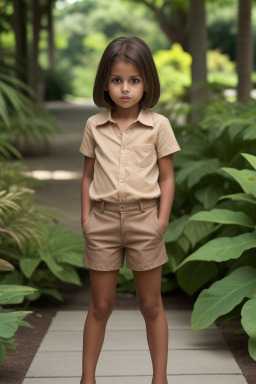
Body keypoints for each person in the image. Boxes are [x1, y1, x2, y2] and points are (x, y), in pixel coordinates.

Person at [79, 36, 181, 384]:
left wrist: (160, 221)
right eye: (117, 80)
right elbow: (88, 175)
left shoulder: (159, 126)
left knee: (151, 306)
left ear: (147, 82)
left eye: (134, 80)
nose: (125, 89)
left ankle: (160, 379)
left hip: (144, 221)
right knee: (100, 306)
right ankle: (87, 379)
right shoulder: (95, 126)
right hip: (103, 221)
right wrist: (86, 219)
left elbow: (167, 178)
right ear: (105, 83)